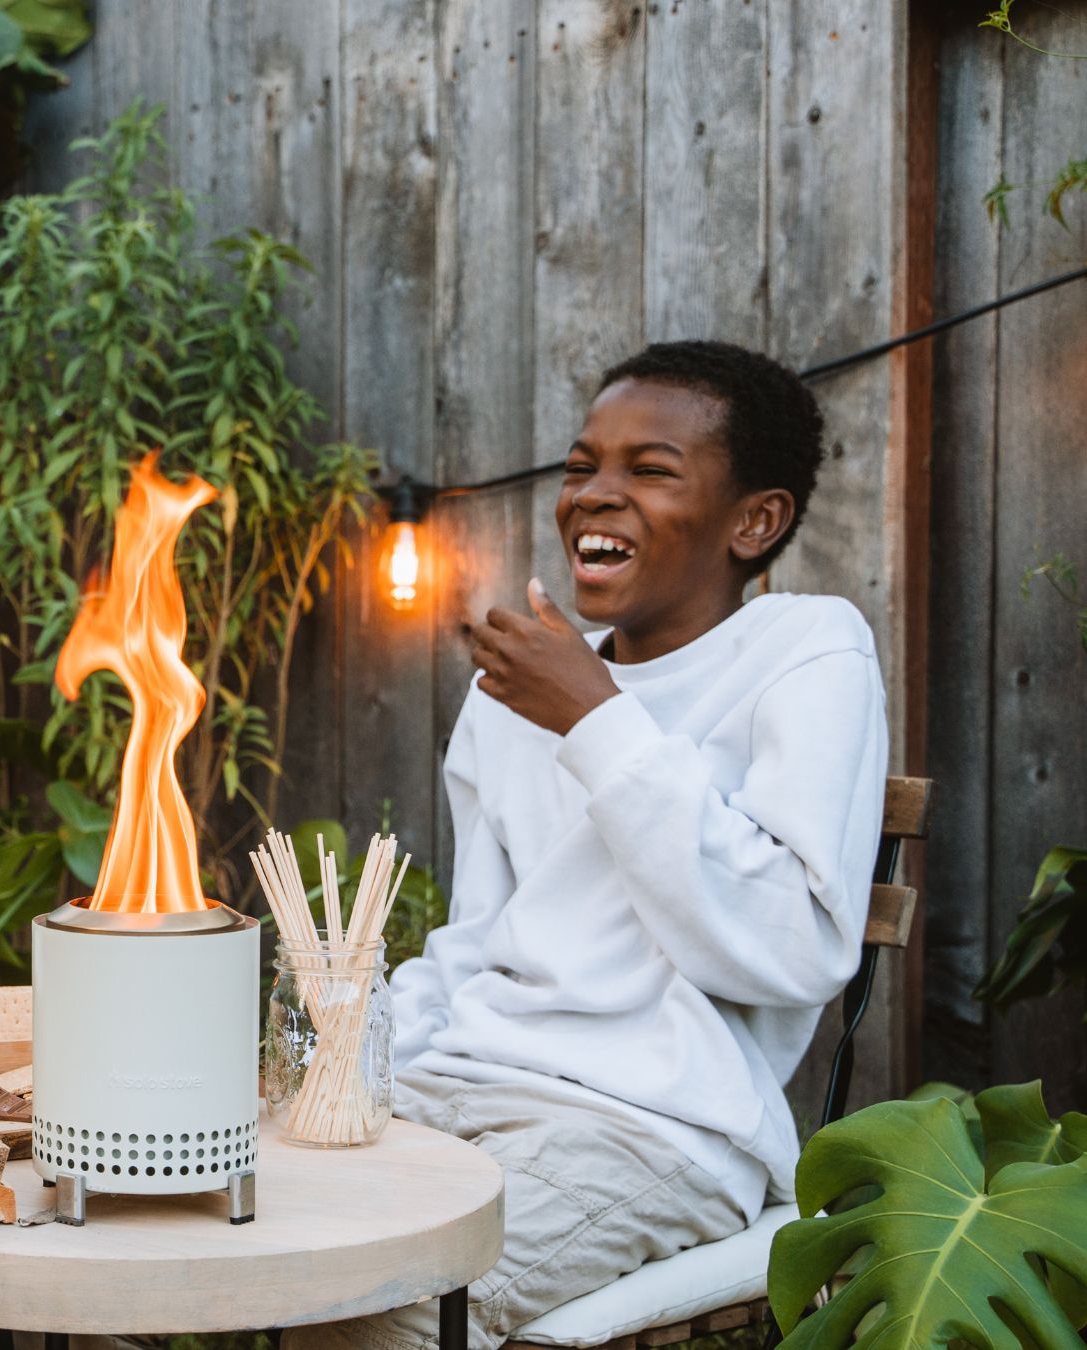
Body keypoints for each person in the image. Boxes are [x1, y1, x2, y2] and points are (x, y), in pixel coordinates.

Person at [292, 341, 889, 1350]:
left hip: (649, 1131)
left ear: (756, 521)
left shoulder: (804, 652)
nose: (594, 496)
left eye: (649, 471)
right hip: (459, 1087)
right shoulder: (516, 691)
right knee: (177, 1240)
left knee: (386, 1305)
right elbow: (483, 935)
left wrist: (595, 718)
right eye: (581, 469)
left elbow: (798, 947)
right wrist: (366, 1060)